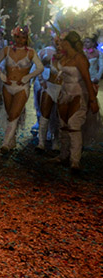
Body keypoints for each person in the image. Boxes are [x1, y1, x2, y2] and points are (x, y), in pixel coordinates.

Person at [0, 26, 43, 153]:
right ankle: (12, 139)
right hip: (7, 86)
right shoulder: (7, 50)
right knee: (10, 115)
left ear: (27, 39)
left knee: (14, 115)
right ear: (14, 37)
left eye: (24, 38)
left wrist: (28, 77)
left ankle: (5, 143)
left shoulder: (31, 52)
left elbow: (40, 67)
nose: (20, 40)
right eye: (18, 37)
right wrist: (2, 75)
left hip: (21, 87)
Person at [53, 31, 98, 172]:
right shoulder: (63, 57)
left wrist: (92, 100)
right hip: (64, 93)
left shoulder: (80, 58)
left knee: (74, 125)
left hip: (78, 94)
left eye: (61, 41)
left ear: (68, 42)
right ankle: (63, 155)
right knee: (63, 125)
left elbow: (87, 79)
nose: (59, 44)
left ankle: (75, 161)